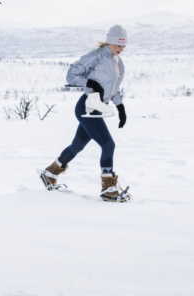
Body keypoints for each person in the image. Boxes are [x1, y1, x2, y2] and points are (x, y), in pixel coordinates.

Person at [39, 24, 130, 202]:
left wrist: (120, 107)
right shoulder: (96, 56)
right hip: (86, 107)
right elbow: (71, 75)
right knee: (108, 144)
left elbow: (113, 89)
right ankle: (108, 188)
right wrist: (90, 84)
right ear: (110, 42)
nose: (121, 49)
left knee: (77, 146)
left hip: (98, 108)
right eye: (118, 45)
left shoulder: (118, 63)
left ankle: (50, 173)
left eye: (123, 46)